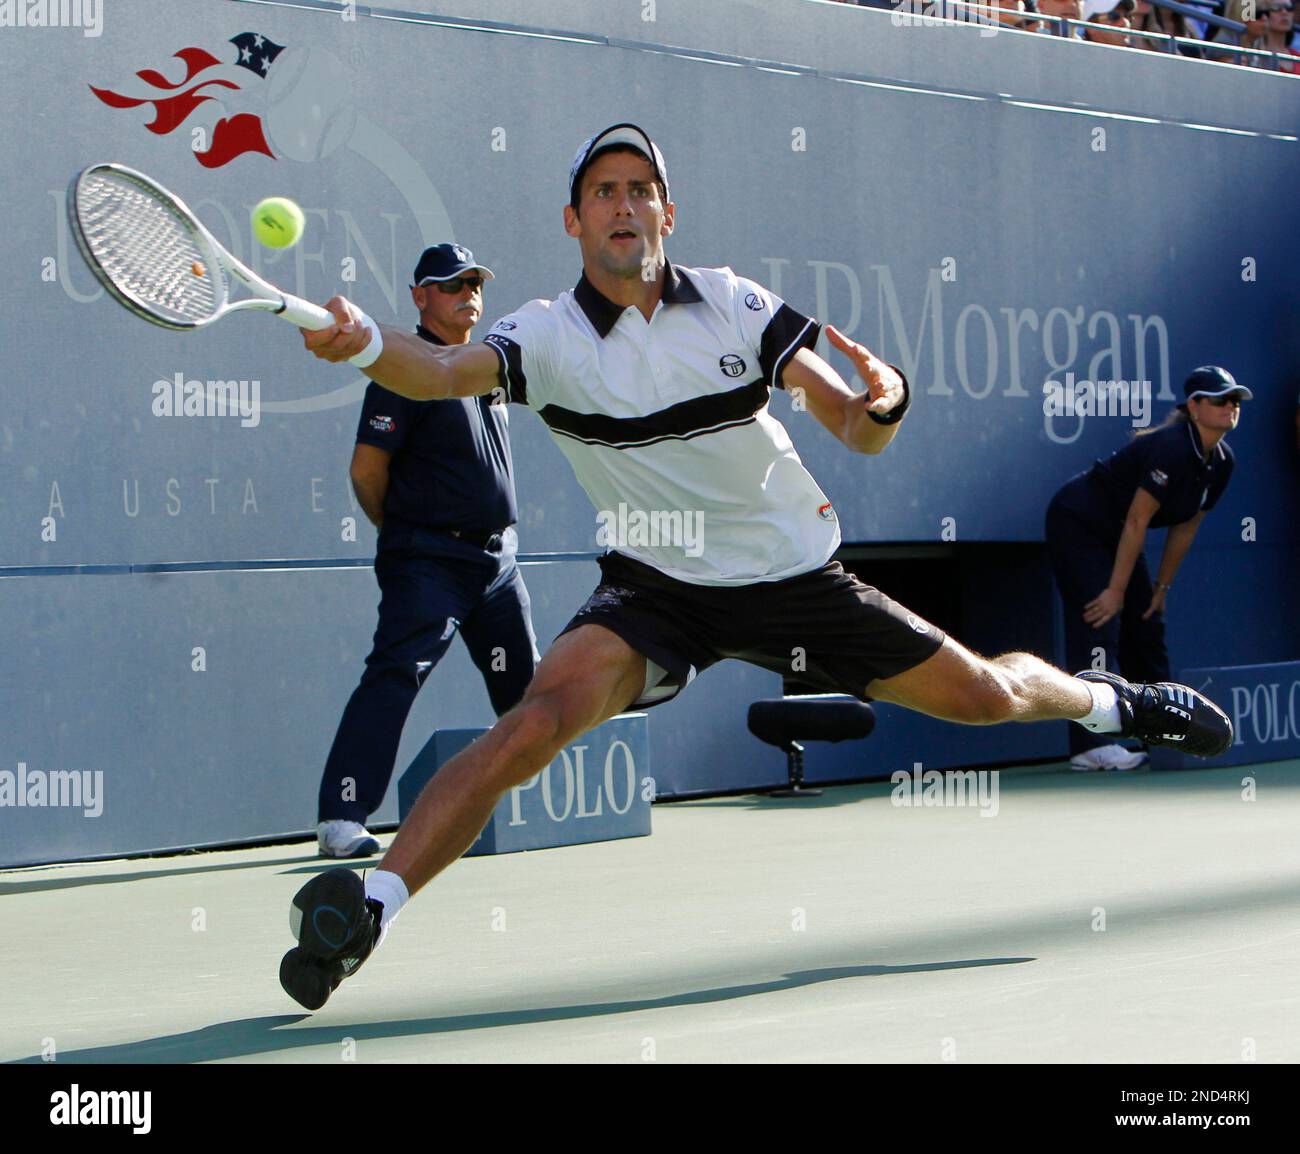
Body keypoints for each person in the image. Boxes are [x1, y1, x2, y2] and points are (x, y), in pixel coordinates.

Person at [278, 124, 1234, 1009]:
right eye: (604, 192)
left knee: (985, 695)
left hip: (792, 581)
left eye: (641, 189)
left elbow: (854, 428)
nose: (624, 205)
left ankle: (1115, 705)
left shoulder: (738, 305)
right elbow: (441, 371)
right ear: (574, 221)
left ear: (667, 212)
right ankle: (372, 905)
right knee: (535, 722)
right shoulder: (543, 338)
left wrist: (887, 399)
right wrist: (363, 341)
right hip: (655, 590)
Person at [314, 244, 540, 858]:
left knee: (527, 696)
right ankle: (342, 817)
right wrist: (411, 535)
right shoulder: (402, 372)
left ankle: (519, 810)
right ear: (420, 297)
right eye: (449, 285)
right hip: (429, 564)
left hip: (498, 565)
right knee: (396, 675)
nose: (466, 293)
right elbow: (367, 472)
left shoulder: (483, 366)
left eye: (473, 283)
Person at [1045, 367, 1246, 770]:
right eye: (1220, 399)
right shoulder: (1171, 447)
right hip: (1079, 523)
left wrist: (1161, 588)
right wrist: (1115, 590)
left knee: (1146, 623)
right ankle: (1091, 745)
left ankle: (1167, 734)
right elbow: (1138, 520)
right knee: (1098, 621)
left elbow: (1186, 526)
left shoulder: (1222, 461)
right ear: (1194, 406)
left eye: (1235, 401)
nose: (1231, 407)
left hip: (1118, 534)